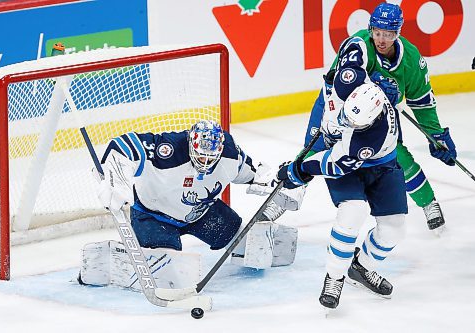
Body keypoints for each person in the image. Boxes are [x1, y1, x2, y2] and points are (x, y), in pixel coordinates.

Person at [77, 120, 301, 290]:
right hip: (153, 216)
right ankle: (111, 260)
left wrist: (284, 181)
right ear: (191, 144)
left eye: (210, 158)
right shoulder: (168, 149)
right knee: (167, 271)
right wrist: (114, 180)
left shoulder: (230, 154)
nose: (205, 163)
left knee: (247, 241)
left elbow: (256, 174)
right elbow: (121, 146)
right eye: (201, 156)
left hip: (201, 213)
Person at [303, 2, 457, 234]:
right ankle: (283, 196)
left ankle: (429, 203)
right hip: (336, 107)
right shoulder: (359, 45)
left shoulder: (412, 60)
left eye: (388, 34)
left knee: (398, 158)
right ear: (370, 29)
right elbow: (338, 85)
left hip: (379, 116)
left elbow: (422, 101)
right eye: (377, 33)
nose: (382, 39)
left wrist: (435, 134)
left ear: (398, 33)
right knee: (312, 151)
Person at [277, 80, 407, 310]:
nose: (346, 122)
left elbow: (334, 164)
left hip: (378, 165)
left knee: (393, 229)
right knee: (353, 211)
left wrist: (298, 170)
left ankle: (361, 267)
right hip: (355, 157)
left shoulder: (367, 140)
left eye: (354, 123)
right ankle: (335, 277)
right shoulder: (355, 82)